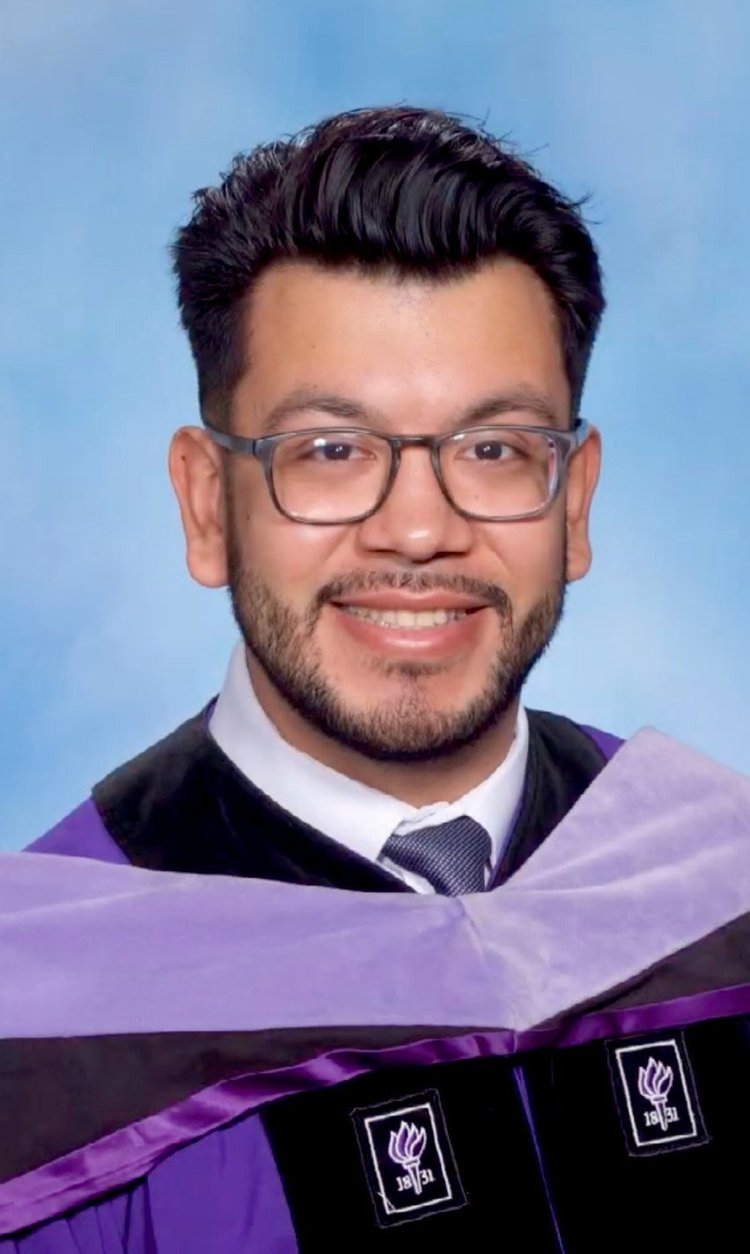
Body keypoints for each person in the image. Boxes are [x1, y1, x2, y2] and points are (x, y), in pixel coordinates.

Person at [2, 105, 750, 1253]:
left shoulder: (719, 889)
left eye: (495, 449)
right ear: (208, 504)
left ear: (577, 499)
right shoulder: (39, 1029)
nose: (417, 531)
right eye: (332, 451)